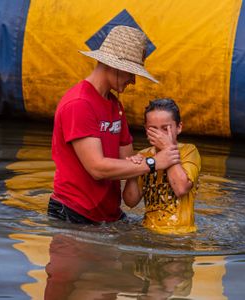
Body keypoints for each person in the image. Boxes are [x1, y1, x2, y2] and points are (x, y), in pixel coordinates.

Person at [49, 25, 181, 224]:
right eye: (131, 72)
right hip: (74, 213)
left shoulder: (115, 105)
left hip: (109, 214)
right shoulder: (79, 104)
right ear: (114, 66)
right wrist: (154, 163)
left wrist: (149, 158)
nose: (133, 81)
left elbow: (129, 161)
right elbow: (97, 168)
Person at [123, 99, 201, 234]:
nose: (160, 135)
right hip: (148, 232)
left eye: (165, 129)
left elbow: (181, 188)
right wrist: (133, 173)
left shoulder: (189, 151)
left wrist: (167, 148)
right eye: (153, 129)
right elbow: (130, 202)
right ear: (146, 130)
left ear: (179, 127)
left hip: (181, 234)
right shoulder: (144, 155)